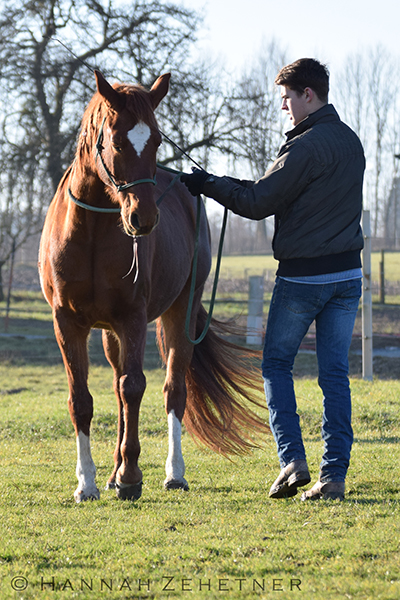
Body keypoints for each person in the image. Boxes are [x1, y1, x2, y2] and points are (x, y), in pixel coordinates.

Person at [181, 58, 365, 501]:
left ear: (309, 94)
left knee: (276, 365)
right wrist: (219, 182)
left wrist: (206, 185)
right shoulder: (350, 141)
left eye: (287, 97)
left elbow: (259, 201)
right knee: (335, 375)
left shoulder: (304, 147)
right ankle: (333, 477)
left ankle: (292, 460)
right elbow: (271, 190)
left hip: (304, 280)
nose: (283, 106)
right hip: (348, 276)